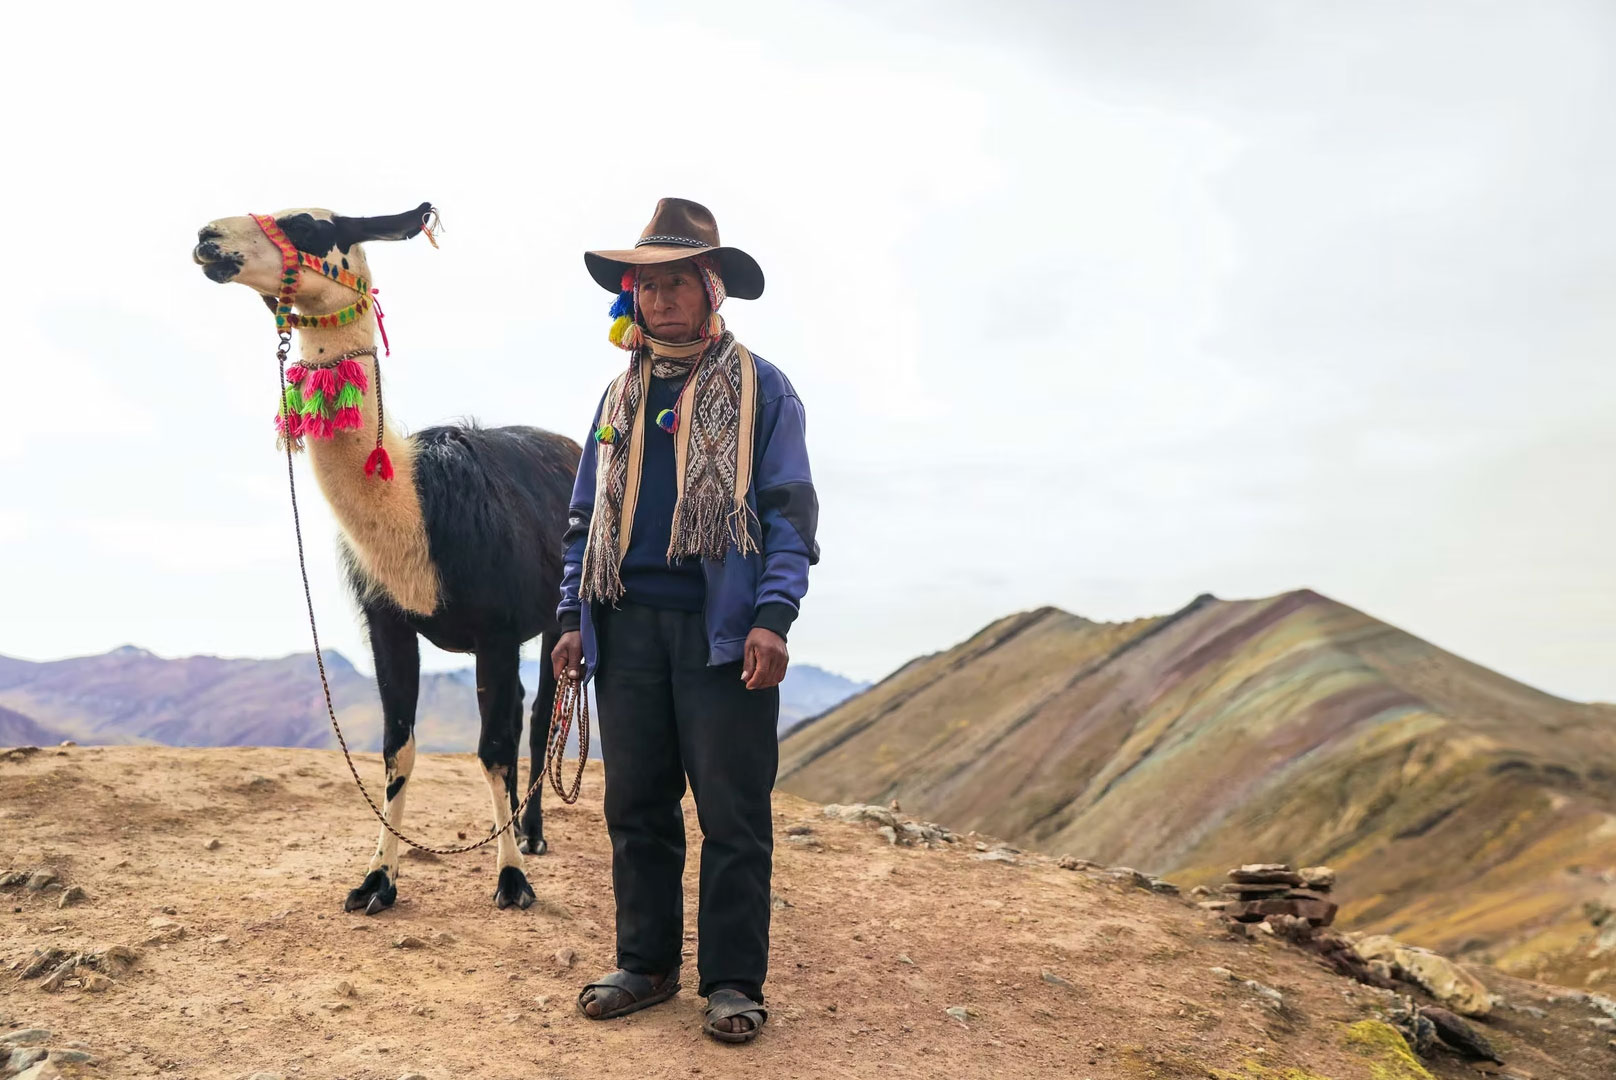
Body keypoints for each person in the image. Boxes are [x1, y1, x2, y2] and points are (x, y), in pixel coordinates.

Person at [553, 198, 818, 1044]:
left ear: (711, 289)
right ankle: (647, 964)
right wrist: (570, 616)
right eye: (647, 285)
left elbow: (788, 511)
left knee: (732, 814)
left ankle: (734, 983)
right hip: (624, 627)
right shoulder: (617, 395)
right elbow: (583, 519)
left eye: (676, 283)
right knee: (636, 805)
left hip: (721, 635)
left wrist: (772, 616)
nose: (659, 300)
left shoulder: (763, 389)